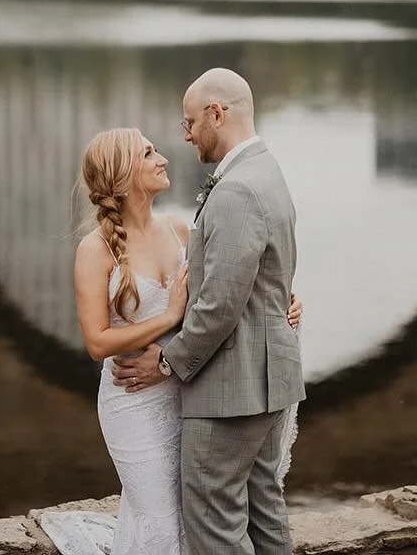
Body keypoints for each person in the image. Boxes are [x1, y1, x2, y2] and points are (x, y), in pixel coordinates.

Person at [72, 116, 301, 555]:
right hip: (133, 398)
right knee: (159, 519)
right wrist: (169, 317)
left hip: (182, 387)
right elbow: (97, 342)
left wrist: (285, 300)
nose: (162, 158)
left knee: (190, 511)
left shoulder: (180, 230)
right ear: (121, 177)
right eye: (147, 154)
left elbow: (232, 279)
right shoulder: (94, 250)